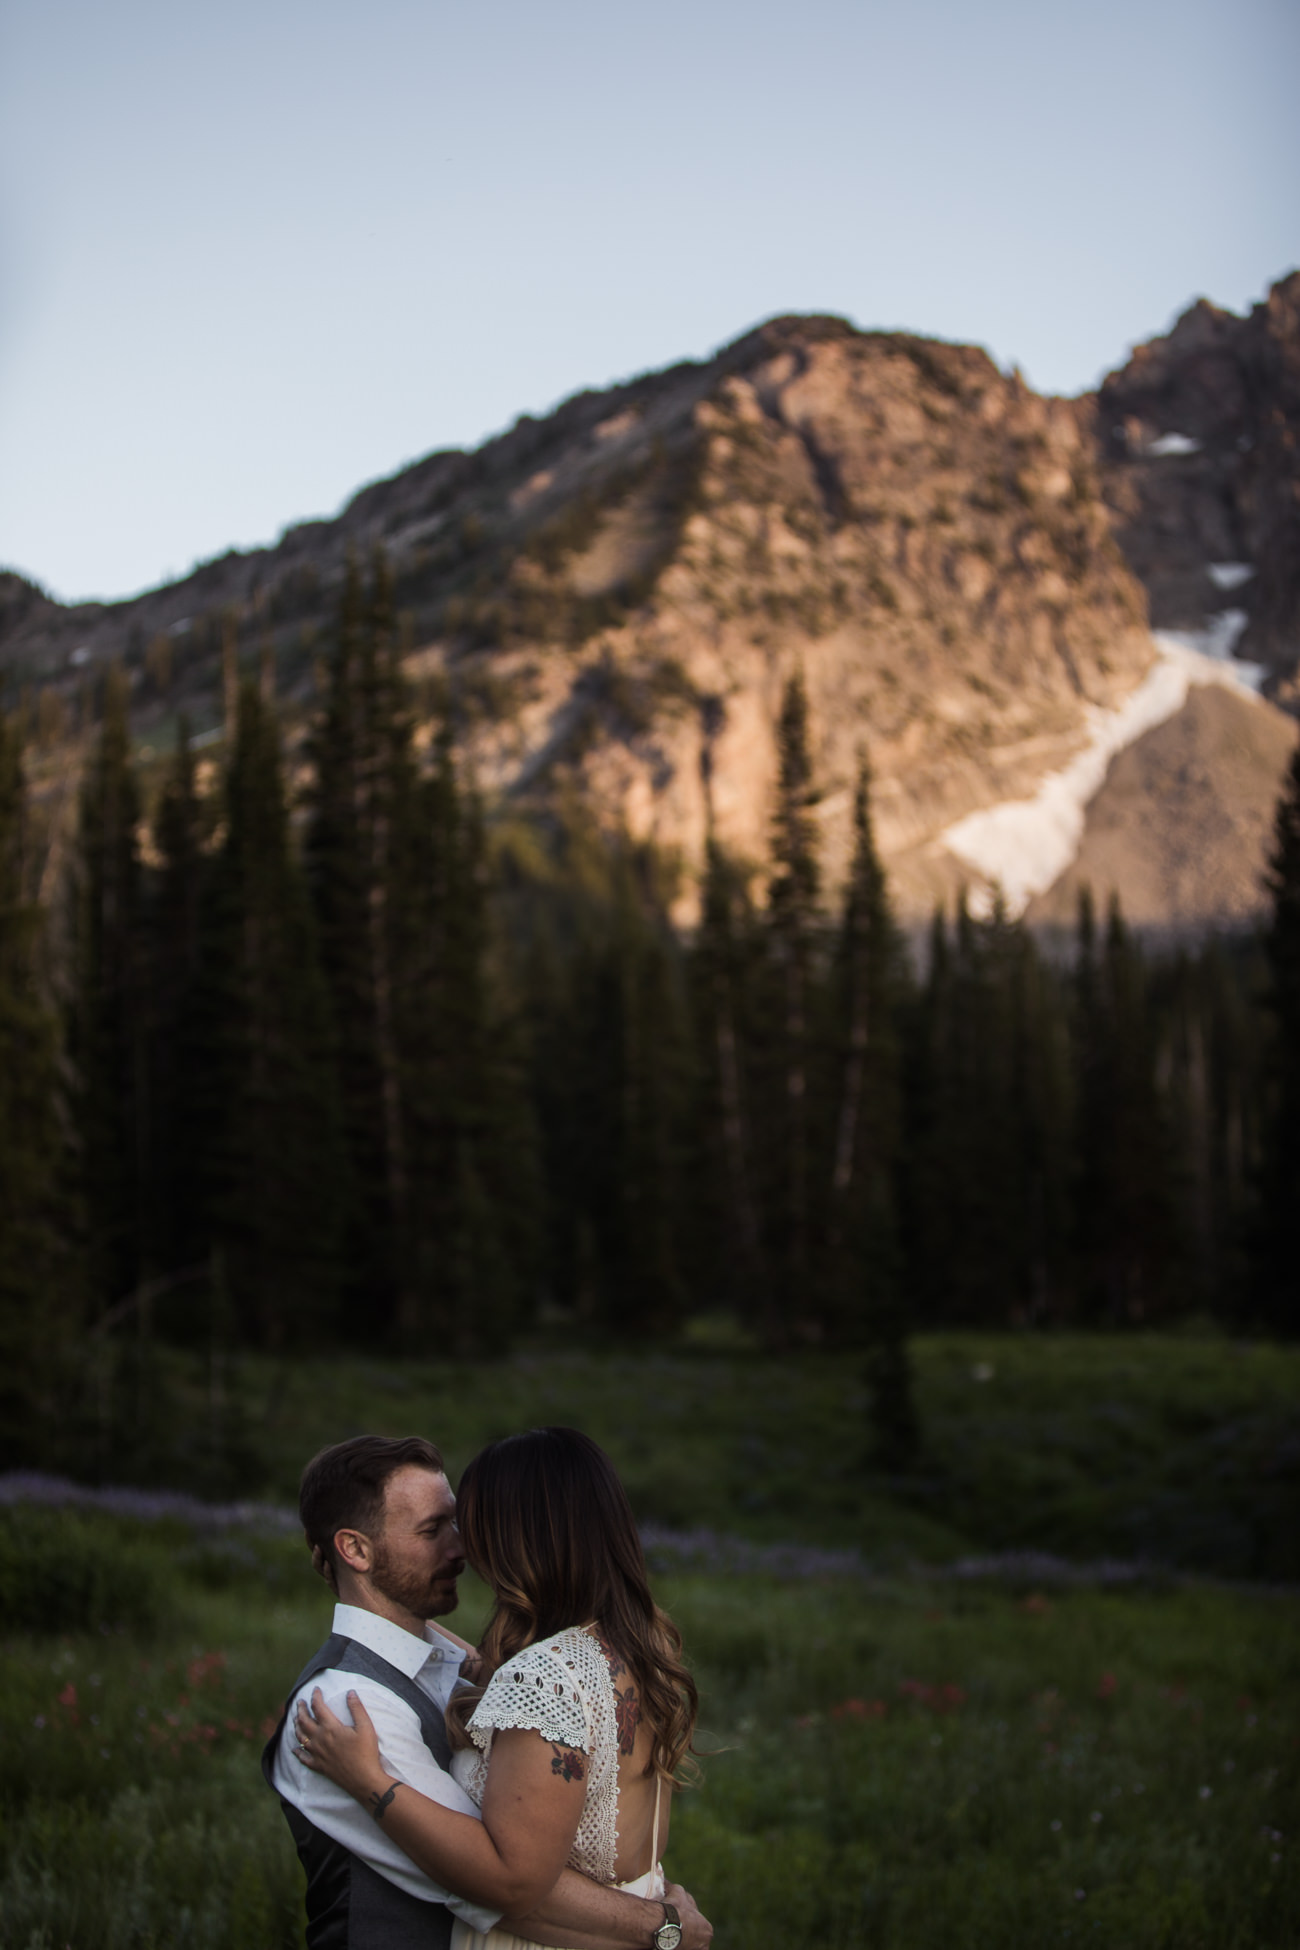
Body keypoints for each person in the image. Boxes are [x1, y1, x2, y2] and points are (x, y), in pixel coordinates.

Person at [265, 1433, 711, 1950]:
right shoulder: (346, 1706)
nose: (461, 1548)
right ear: (356, 1549)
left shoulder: (492, 1663)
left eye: (457, 1523)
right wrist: (663, 1927)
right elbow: (495, 1888)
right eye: (434, 1529)